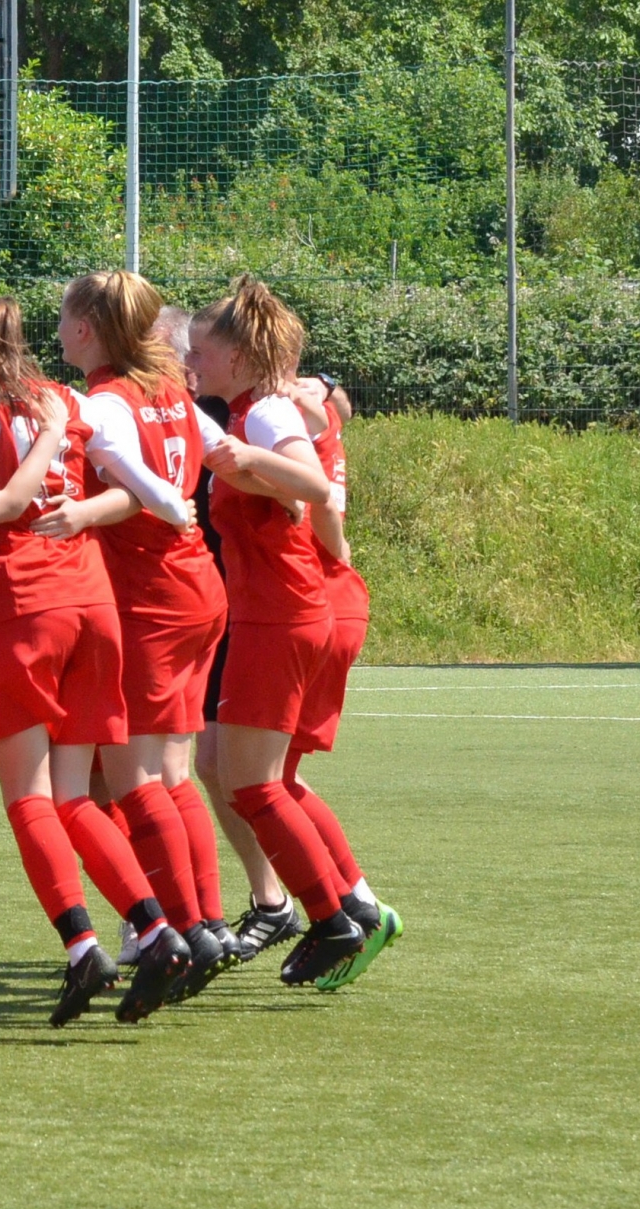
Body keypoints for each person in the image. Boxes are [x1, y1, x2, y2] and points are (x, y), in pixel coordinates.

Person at [0, 282, 190, 1027]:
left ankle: (83, 947)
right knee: (74, 796)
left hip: (27, 605)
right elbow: (135, 489)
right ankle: (157, 930)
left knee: (30, 797)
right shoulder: (64, 397)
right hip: (91, 604)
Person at [45, 271, 234, 999]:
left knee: (136, 779)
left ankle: (184, 930)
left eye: (64, 316)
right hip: (195, 587)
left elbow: (140, 489)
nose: (57, 328)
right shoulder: (171, 390)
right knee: (171, 773)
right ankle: (204, 920)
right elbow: (223, 455)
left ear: (87, 329)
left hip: (149, 599)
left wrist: (145, 503)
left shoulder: (108, 403)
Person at [187, 277, 368, 986]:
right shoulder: (247, 411)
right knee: (255, 780)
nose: (192, 363)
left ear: (236, 357)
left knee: (253, 785)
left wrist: (251, 463)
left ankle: (332, 918)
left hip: (280, 614)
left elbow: (313, 485)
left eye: (200, 352)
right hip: (273, 611)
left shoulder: (263, 412)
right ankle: (344, 906)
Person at [280, 374, 404, 989]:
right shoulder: (313, 408)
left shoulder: (294, 411)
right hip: (325, 603)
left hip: (320, 602)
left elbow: (325, 503)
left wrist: (337, 550)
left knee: (265, 780)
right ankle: (342, 905)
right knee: (256, 776)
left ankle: (354, 907)